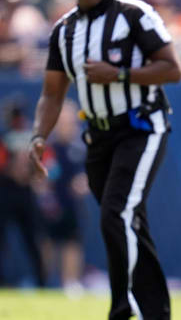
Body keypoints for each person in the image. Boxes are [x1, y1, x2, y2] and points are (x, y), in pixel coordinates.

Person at [28, 0, 181, 320]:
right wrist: (38, 135)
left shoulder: (135, 14)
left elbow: (172, 68)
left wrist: (121, 74)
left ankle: (120, 305)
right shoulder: (63, 31)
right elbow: (52, 92)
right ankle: (156, 312)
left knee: (116, 214)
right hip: (98, 136)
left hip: (141, 126)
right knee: (129, 220)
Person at [37, 100, 88, 296]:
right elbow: (40, 176)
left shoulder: (81, 147)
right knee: (46, 243)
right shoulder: (48, 147)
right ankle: (43, 281)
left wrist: (83, 184)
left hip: (72, 204)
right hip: (51, 204)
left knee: (72, 243)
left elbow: (89, 175)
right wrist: (43, 194)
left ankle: (71, 283)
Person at [0, 98, 46, 287]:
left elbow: (48, 163)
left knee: (32, 239)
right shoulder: (5, 136)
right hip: (5, 190)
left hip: (25, 191)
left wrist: (32, 172)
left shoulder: (31, 136)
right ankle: (4, 280)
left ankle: (41, 281)